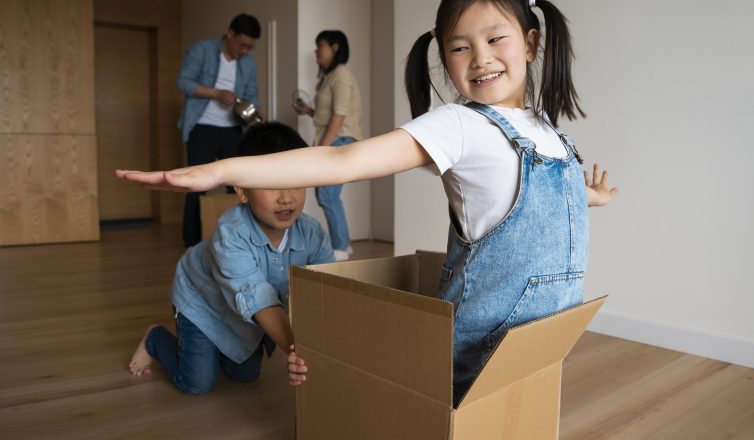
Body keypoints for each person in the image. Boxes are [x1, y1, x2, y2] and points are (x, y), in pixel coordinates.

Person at [118, 0, 618, 406]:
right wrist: (223, 169)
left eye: (495, 38)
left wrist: (587, 195)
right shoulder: (460, 125)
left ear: (531, 42)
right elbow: (342, 162)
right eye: (460, 48)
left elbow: (530, 200)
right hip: (483, 334)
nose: (481, 57)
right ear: (444, 60)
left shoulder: (547, 131)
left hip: (544, 330)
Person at [127, 122, 334, 395]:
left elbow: (329, 290)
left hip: (240, 313)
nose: (286, 198)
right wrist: (301, 352)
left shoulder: (313, 233)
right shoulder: (231, 233)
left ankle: (217, 348)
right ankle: (155, 338)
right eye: (272, 185)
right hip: (203, 303)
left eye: (295, 182)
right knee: (196, 383)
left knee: (245, 375)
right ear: (242, 191)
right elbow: (261, 303)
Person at [177, 13, 262, 247]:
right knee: (195, 186)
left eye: (250, 47)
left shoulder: (248, 63)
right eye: (242, 44)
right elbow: (183, 82)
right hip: (202, 127)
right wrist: (216, 93)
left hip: (234, 130)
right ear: (230, 34)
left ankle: (237, 241)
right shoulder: (202, 49)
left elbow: (253, 94)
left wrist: (255, 112)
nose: (245, 50)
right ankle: (192, 242)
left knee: (238, 188)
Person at [294, 30, 362, 261]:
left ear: (334, 48)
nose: (316, 51)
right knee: (328, 194)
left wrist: (322, 150)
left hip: (340, 140)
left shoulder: (341, 74)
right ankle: (344, 245)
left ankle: (340, 248)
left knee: (327, 195)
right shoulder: (329, 76)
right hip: (333, 139)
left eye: (319, 46)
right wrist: (308, 111)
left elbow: (339, 116)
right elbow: (327, 115)